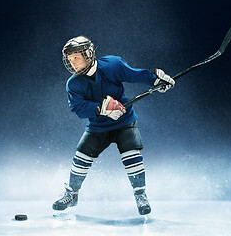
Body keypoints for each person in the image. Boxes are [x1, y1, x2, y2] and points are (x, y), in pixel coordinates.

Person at [52, 36, 175, 215]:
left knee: (132, 154)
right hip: (98, 127)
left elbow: (134, 74)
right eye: (70, 60)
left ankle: (140, 194)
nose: (73, 64)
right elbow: (78, 108)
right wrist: (101, 108)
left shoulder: (112, 65)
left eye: (76, 58)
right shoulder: (73, 84)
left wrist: (156, 80)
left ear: (88, 54)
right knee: (81, 158)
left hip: (124, 121)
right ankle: (72, 193)